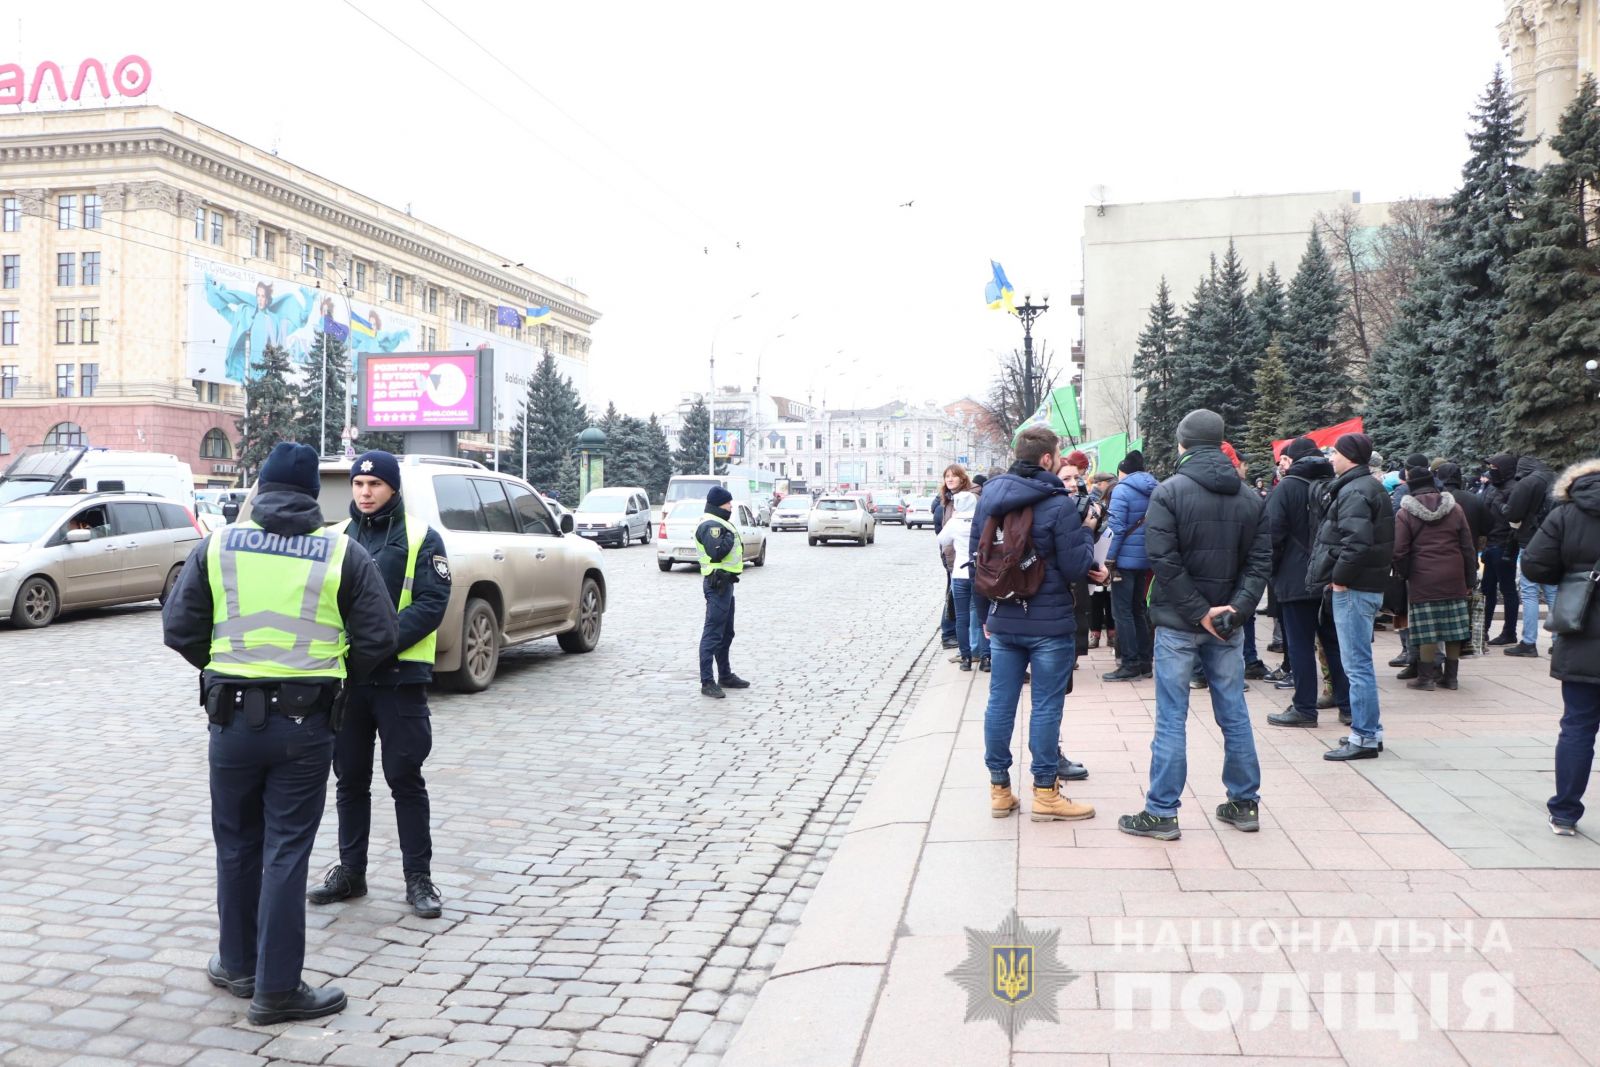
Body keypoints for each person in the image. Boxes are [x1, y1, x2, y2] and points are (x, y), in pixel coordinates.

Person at [160, 442, 398, 1026]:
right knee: (286, 851)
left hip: (231, 720)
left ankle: (237, 964)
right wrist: (328, 677)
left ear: (261, 490)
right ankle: (276, 989)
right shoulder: (340, 553)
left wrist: (227, 671)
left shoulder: (217, 546)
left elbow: (179, 628)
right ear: (316, 496)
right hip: (305, 723)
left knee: (236, 843)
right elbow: (379, 638)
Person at [307, 451, 451, 919]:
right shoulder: (333, 539)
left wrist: (377, 644)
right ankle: (352, 871)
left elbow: (431, 603)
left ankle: (418, 878)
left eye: (375, 485)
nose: (365, 493)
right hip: (346, 681)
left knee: (405, 779)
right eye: (358, 484)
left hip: (398, 679)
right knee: (349, 780)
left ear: (392, 489)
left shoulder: (421, 537)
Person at [1119, 410, 1269, 841]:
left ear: (1182, 444)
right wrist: (1234, 610)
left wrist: (1198, 610)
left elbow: (1163, 562)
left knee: (1171, 716)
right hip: (1226, 623)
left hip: (1180, 622)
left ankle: (1162, 812)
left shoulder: (1168, 492)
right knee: (1234, 712)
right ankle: (1244, 803)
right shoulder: (1249, 497)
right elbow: (1259, 564)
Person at [968, 426, 1102, 822]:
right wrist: (1088, 533)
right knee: (1045, 706)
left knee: (999, 705)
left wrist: (985, 617)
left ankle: (999, 791)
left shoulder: (989, 500)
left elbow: (976, 561)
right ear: (1046, 459)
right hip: (1049, 623)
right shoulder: (1058, 504)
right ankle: (1045, 793)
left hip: (1004, 619)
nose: (1061, 460)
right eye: (1058, 455)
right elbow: (1078, 566)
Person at [1520, 457, 1600, 835]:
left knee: (1577, 727)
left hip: (1582, 629)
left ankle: (1565, 813)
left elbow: (1534, 565)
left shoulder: (1566, 514)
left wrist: (1571, 575)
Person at [1308, 432, 1395, 760]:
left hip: (1355, 589)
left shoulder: (1357, 489)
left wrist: (1340, 580)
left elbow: (1356, 542)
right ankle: (1370, 730)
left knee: (1356, 665)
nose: (1331, 457)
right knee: (1358, 663)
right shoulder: (1363, 486)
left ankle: (1364, 736)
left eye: (1336, 453)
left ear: (1351, 456)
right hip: (1362, 586)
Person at [1266, 437, 1350, 729]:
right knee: (1334, 643)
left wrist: (1272, 572)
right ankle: (1347, 705)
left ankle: (1304, 708)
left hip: (1295, 578)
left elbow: (1272, 535)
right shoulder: (1335, 485)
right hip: (1331, 576)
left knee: (1300, 644)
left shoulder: (1287, 488)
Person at [1392, 465, 1477, 691]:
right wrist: (1469, 579)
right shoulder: (1455, 509)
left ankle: (1426, 678)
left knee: (1427, 629)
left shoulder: (1404, 513)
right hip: (1454, 575)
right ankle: (1451, 678)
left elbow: (1399, 550)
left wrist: (1407, 573)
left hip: (1423, 578)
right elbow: (1468, 547)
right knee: (1454, 629)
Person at [1103, 450, 1157, 682]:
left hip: (1124, 560)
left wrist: (1109, 559)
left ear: (1122, 471)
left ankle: (1130, 663)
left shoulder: (1122, 490)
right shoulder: (1156, 487)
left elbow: (1116, 527)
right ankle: (1145, 662)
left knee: (1121, 612)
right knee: (1139, 609)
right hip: (1146, 558)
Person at [1502, 454, 1558, 658]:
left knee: (1529, 591)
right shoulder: (1555, 478)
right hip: (1555, 541)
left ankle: (1529, 642)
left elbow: (1513, 513)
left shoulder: (1528, 482)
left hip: (1532, 541)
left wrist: (1504, 508)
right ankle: (1558, 641)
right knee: (1552, 591)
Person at [697, 486, 749, 698]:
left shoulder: (720, 523)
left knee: (726, 633)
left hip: (726, 584)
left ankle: (725, 675)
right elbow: (716, 552)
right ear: (719, 504)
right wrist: (728, 536)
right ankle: (707, 681)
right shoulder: (711, 525)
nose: (730, 506)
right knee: (713, 634)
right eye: (728, 503)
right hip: (716, 584)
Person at [938, 488, 981, 670]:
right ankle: (985, 657)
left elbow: (942, 539)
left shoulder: (955, 522)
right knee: (979, 616)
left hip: (959, 574)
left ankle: (965, 658)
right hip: (978, 573)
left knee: (962, 619)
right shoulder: (981, 519)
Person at [1482, 453, 1522, 645]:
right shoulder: (1492, 487)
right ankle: (1483, 629)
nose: (1492, 471)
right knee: (1487, 589)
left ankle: (1509, 632)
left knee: (1507, 590)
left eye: (1495, 468)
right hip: (1490, 544)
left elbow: (1513, 516)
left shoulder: (1514, 488)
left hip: (1504, 544)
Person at [934, 465, 972, 651]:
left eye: (953, 476)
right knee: (952, 596)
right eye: (947, 476)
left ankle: (952, 635)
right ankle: (950, 634)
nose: (949, 479)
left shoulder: (967, 498)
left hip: (963, 557)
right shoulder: (947, 499)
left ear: (962, 478)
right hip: (950, 555)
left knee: (958, 599)